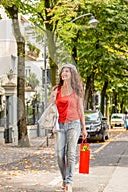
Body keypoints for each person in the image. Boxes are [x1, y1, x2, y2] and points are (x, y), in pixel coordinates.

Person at [49, 63, 87, 192]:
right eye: (63, 71)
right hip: (60, 124)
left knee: (70, 153)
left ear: (72, 75)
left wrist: (84, 127)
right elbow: (51, 108)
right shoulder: (56, 89)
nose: (64, 73)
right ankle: (64, 178)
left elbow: (80, 109)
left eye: (67, 71)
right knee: (60, 155)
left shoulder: (77, 90)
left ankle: (69, 182)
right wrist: (52, 98)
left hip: (74, 123)